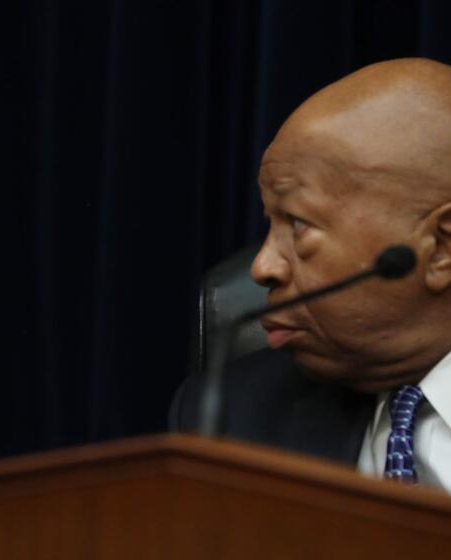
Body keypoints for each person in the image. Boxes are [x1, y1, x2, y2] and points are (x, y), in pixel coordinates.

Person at [170, 57, 451, 490]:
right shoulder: (230, 418)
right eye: (270, 224)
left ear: (441, 248)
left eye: (299, 224)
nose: (263, 267)